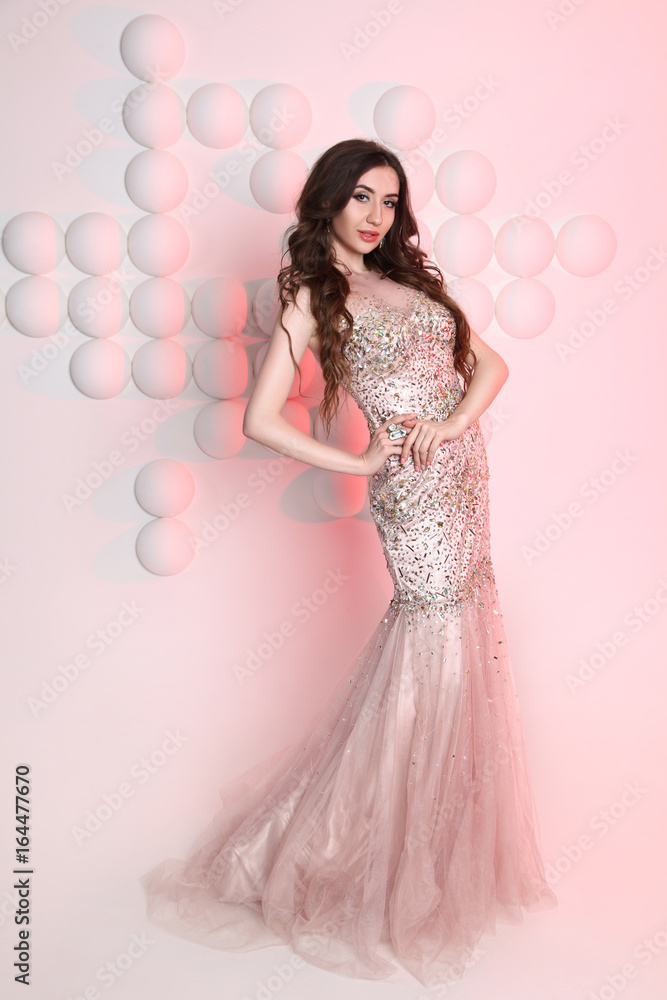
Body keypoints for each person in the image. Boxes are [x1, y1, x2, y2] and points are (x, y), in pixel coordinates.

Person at [141, 138, 557, 988]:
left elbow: (490, 366)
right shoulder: (310, 293)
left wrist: (449, 425)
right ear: (328, 198)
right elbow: (260, 418)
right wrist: (363, 461)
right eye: (361, 196)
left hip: (463, 477)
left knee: (465, 636)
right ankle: (379, 854)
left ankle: (436, 847)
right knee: (432, 643)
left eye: (389, 200)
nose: (375, 215)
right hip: (412, 496)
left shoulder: (411, 282)